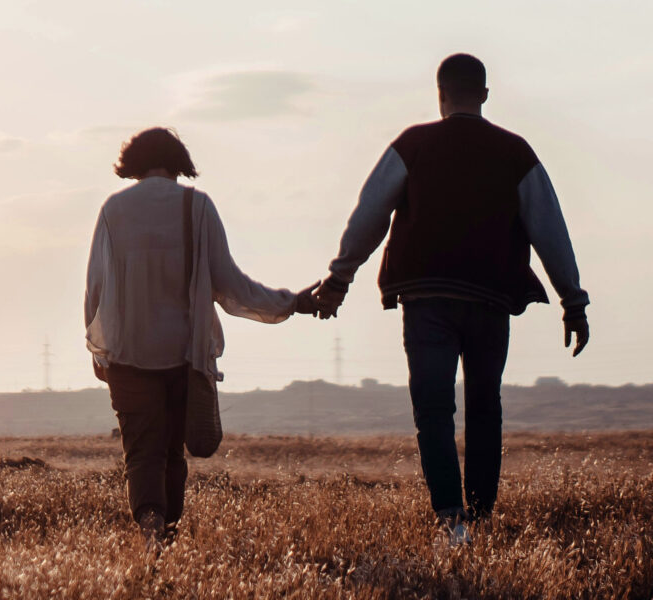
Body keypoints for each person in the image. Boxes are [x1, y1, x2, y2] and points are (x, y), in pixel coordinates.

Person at [315, 54, 590, 544]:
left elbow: (369, 215)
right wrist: (573, 301)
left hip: (426, 300)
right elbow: (551, 230)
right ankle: (480, 518)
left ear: (439, 94)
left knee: (433, 409)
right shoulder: (515, 152)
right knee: (485, 407)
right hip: (490, 301)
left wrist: (339, 279)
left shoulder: (412, 144)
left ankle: (451, 519)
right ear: (484, 95)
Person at [85, 127, 320, 549]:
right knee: (172, 453)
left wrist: (98, 348)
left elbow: (95, 289)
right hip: (184, 357)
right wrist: (290, 303)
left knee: (141, 451)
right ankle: (167, 536)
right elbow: (231, 285)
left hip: (127, 356)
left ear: (133, 163)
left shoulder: (113, 210)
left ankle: (151, 527)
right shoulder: (197, 207)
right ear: (178, 161)